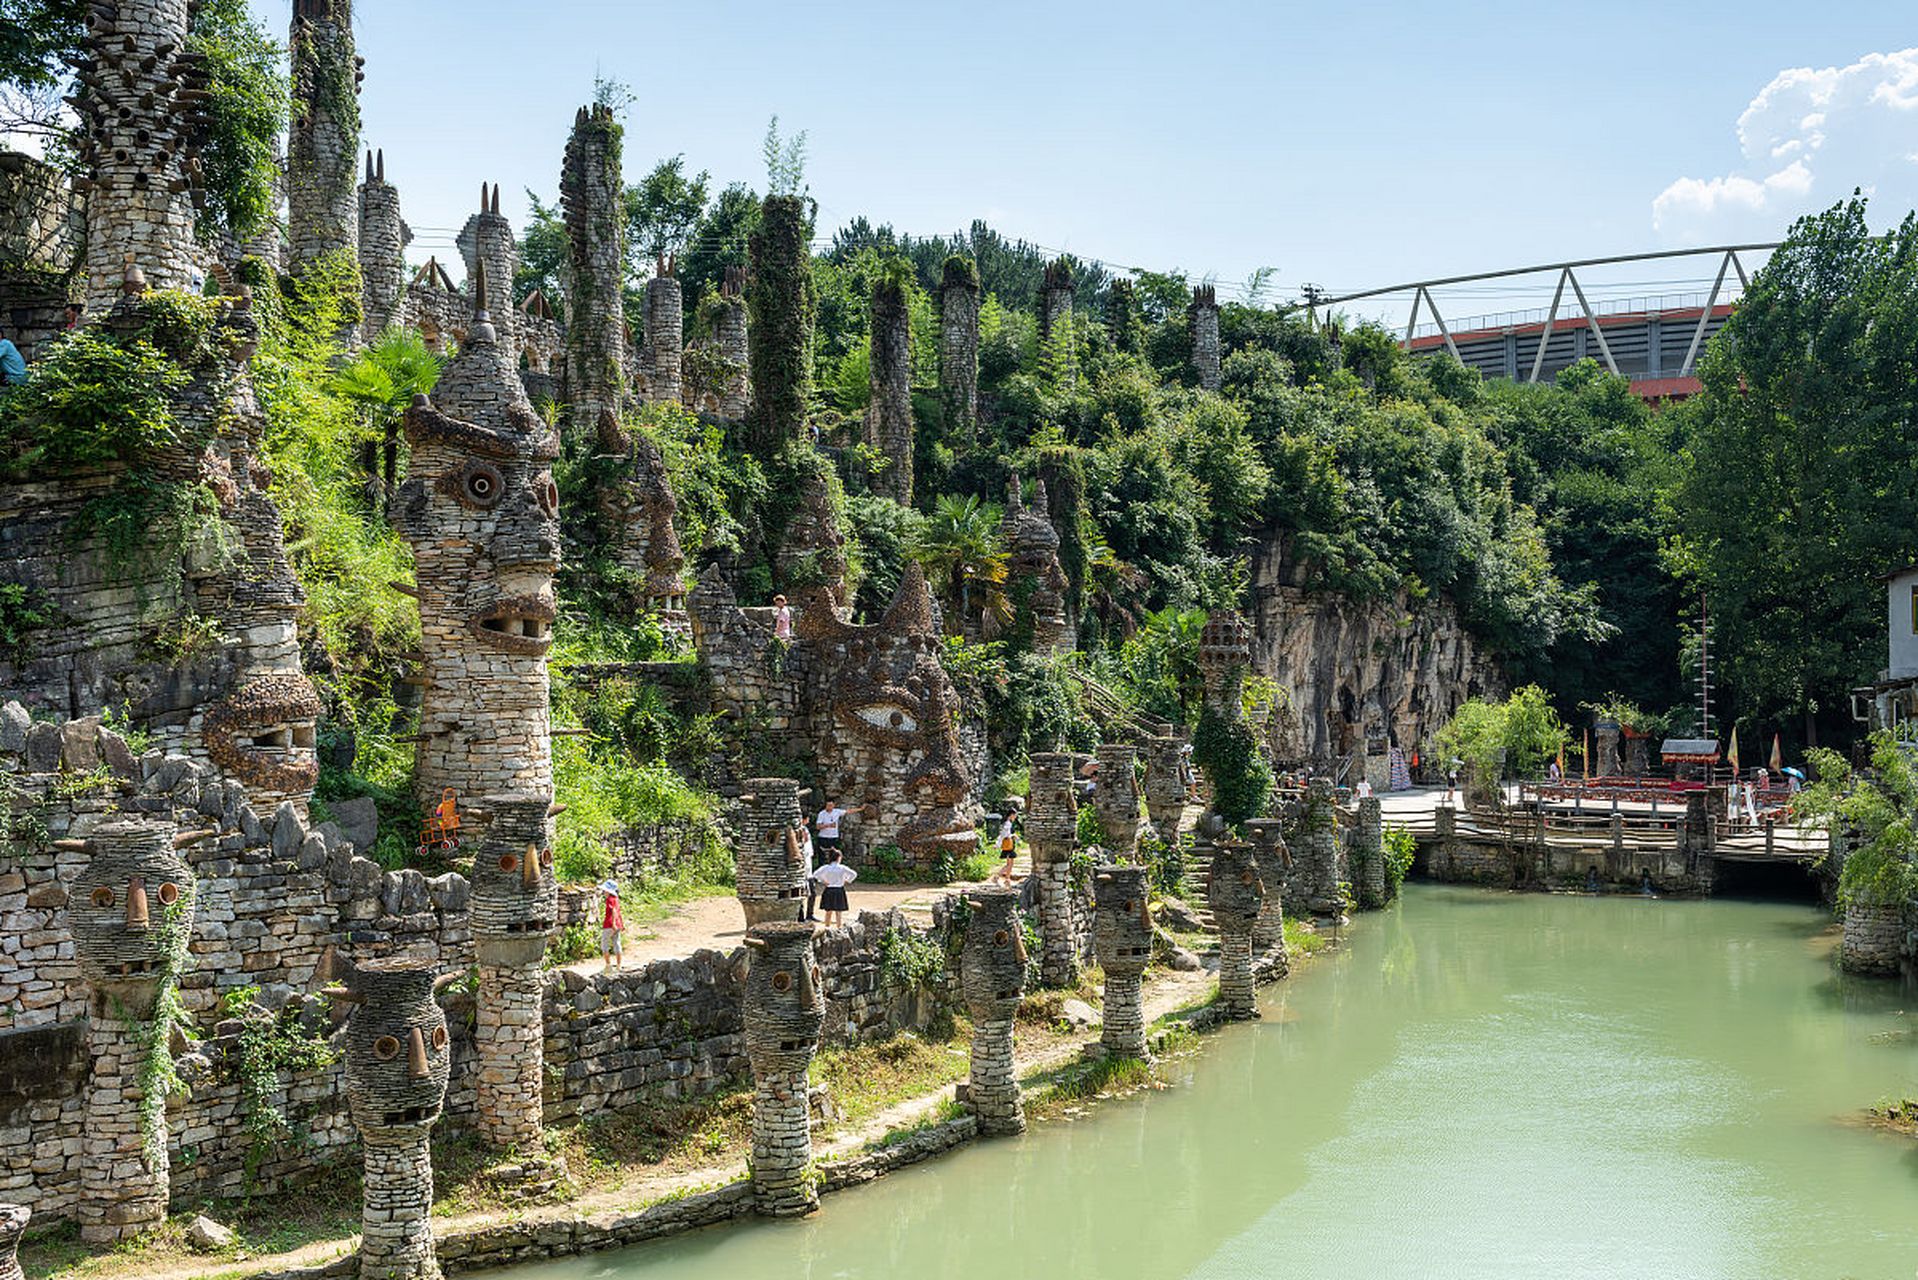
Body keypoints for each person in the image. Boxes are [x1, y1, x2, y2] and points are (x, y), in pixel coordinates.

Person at [812, 848, 858, 928]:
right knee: (838, 912)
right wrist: (847, 881)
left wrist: (823, 881)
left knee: (828, 912)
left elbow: (815, 874)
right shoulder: (842, 868)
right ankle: (839, 929)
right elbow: (854, 874)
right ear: (839, 857)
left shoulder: (826, 867)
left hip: (829, 889)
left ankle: (827, 929)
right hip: (839, 890)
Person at [797, 816, 819, 922]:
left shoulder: (805, 829)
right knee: (800, 893)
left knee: (812, 893)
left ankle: (810, 914)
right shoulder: (799, 829)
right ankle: (800, 916)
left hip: (808, 864)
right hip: (802, 866)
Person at [599, 879, 624, 971]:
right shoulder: (616, 899)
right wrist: (620, 924)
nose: (604, 892)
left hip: (609, 924)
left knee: (604, 944)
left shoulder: (609, 899)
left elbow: (613, 911)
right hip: (617, 924)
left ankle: (608, 965)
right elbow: (618, 912)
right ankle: (618, 965)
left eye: (605, 890)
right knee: (617, 944)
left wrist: (613, 923)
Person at [991, 811, 1019, 885]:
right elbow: (1004, 835)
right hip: (1008, 846)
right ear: (1011, 815)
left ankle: (1007, 879)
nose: (1015, 817)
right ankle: (996, 877)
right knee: (1009, 864)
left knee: (1010, 863)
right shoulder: (1007, 824)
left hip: (1010, 845)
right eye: (1014, 816)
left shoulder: (1008, 823)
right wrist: (1013, 835)